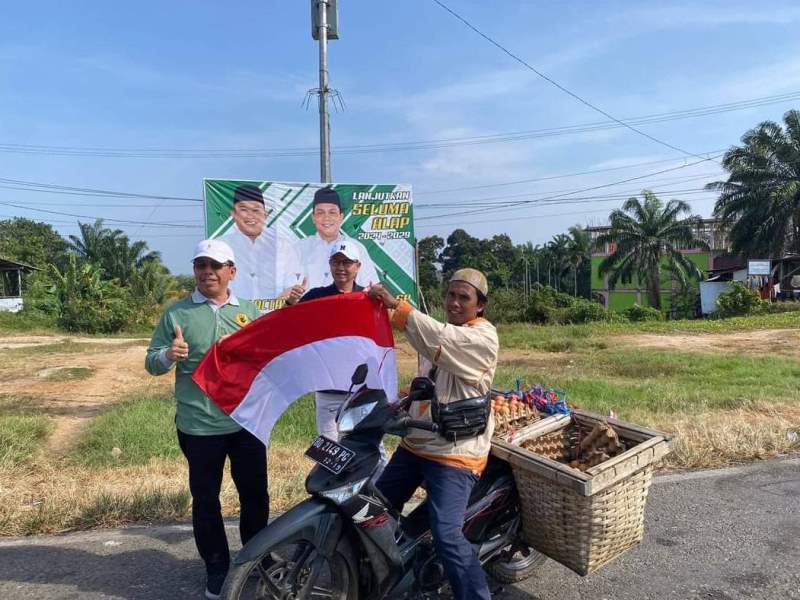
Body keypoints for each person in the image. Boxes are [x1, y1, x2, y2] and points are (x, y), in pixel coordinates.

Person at [144, 239, 266, 600]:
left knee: (255, 497)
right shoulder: (176, 314)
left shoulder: (249, 312)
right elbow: (151, 363)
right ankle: (216, 567)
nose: (208, 272)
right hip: (199, 427)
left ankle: (255, 561)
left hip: (245, 424)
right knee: (206, 500)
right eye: (201, 266)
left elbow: (265, 361)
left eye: (215, 266)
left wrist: (245, 351)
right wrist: (169, 354)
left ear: (232, 271)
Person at [368, 268, 497, 600]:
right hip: (419, 440)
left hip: (456, 451)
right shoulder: (441, 332)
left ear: (480, 306)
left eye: (463, 297)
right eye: (451, 295)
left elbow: (440, 339)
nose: (454, 302)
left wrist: (396, 305)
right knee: (373, 507)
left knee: (446, 534)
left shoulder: (482, 337)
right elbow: (427, 370)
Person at [296, 242, 365, 440]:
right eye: (336, 262)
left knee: (365, 446)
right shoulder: (316, 296)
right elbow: (289, 326)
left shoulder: (368, 298)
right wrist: (291, 303)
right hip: (328, 389)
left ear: (357, 266)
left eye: (347, 262)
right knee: (329, 450)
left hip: (361, 390)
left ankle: (375, 474)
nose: (341, 268)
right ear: (330, 264)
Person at [220, 184, 306, 310]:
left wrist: (272, 310)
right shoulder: (221, 245)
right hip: (232, 318)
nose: (250, 215)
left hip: (276, 316)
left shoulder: (283, 245)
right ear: (233, 214)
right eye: (244, 210)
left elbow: (293, 285)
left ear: (265, 215)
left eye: (256, 210)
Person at [294, 186, 379, 290]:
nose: (326, 218)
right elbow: (289, 289)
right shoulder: (299, 248)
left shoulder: (356, 247)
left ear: (341, 217)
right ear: (313, 218)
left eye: (332, 212)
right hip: (310, 305)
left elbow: (370, 287)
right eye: (320, 212)